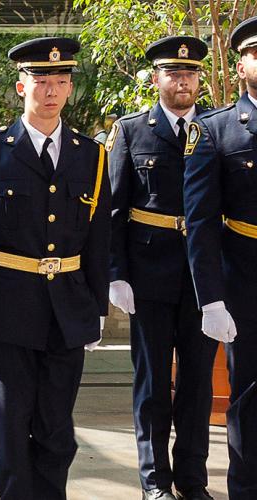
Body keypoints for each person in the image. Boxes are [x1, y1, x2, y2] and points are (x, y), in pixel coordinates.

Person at [0, 37, 109, 499]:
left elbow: (98, 238)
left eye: (61, 81)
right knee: (10, 423)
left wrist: (96, 306)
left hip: (68, 310)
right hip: (6, 310)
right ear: (22, 87)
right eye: (42, 81)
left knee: (57, 425)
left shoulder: (91, 154)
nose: (52, 90)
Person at [107, 35, 216, 500]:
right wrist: (116, 273)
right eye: (173, 73)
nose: (182, 81)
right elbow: (112, 209)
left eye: (189, 74)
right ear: (156, 80)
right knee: (152, 383)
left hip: (205, 278)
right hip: (148, 276)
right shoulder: (132, 131)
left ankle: (193, 480)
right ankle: (155, 481)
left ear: (199, 80)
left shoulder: (216, 129)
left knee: (197, 383)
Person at [183, 15, 257, 499]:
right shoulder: (216, 129)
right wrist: (211, 298)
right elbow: (201, 220)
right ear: (242, 62)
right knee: (249, 395)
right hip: (246, 276)